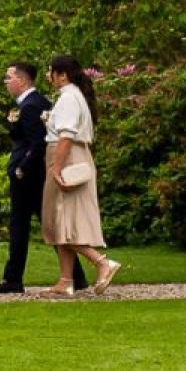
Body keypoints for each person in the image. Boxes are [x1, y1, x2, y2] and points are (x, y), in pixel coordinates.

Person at [0, 61, 77, 295]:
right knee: (50, 224)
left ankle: (13, 278)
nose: (6, 82)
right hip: (36, 175)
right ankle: (75, 276)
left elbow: (37, 143)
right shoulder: (35, 103)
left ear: (23, 79)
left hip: (28, 176)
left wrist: (21, 168)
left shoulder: (30, 106)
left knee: (20, 225)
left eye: (9, 77)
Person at [43, 55, 123, 297]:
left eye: (51, 71)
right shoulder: (75, 96)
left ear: (62, 75)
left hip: (66, 157)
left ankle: (101, 262)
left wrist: (56, 167)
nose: (49, 76)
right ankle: (65, 280)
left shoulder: (69, 97)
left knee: (62, 220)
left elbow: (66, 135)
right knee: (62, 220)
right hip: (72, 156)